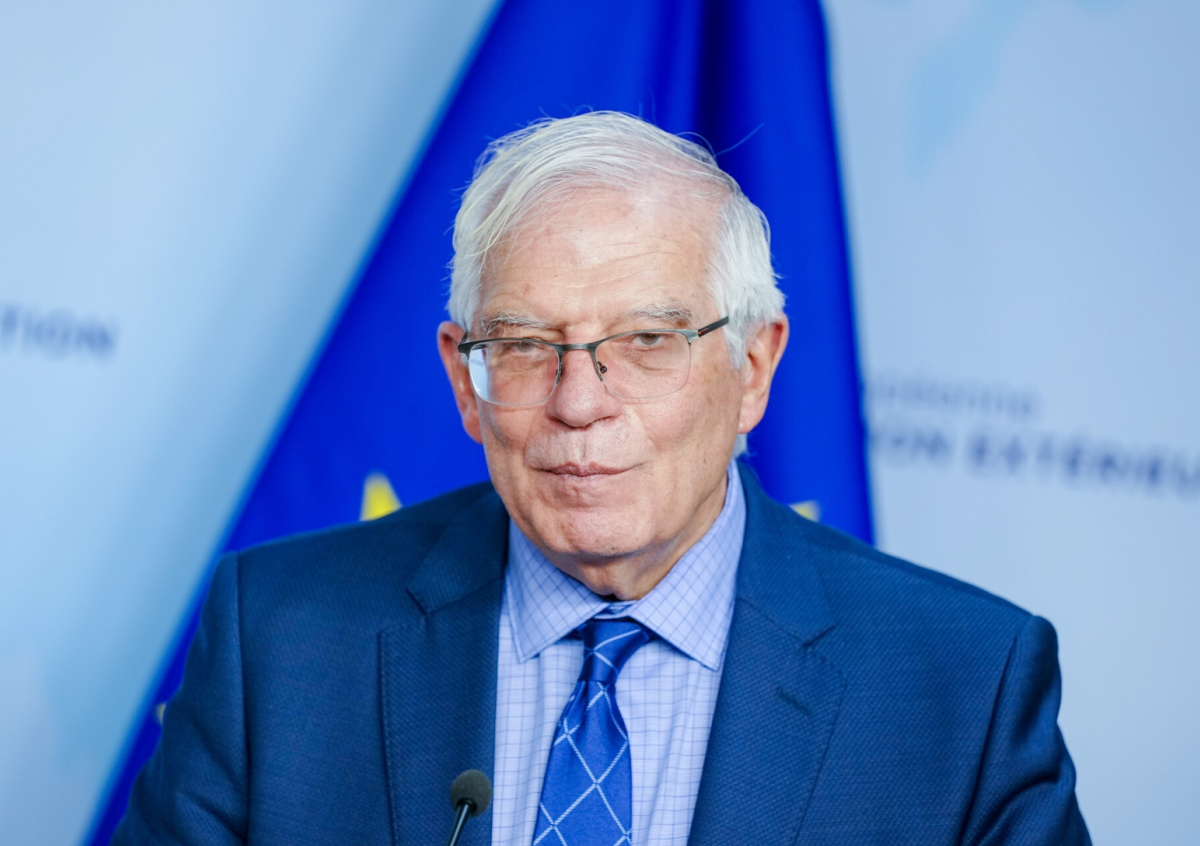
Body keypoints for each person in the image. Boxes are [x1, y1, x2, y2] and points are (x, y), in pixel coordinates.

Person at [115, 112, 1089, 845]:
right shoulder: (280, 637)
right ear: (464, 380)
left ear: (752, 370)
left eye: (648, 340)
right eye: (525, 346)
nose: (579, 402)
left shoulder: (963, 689)